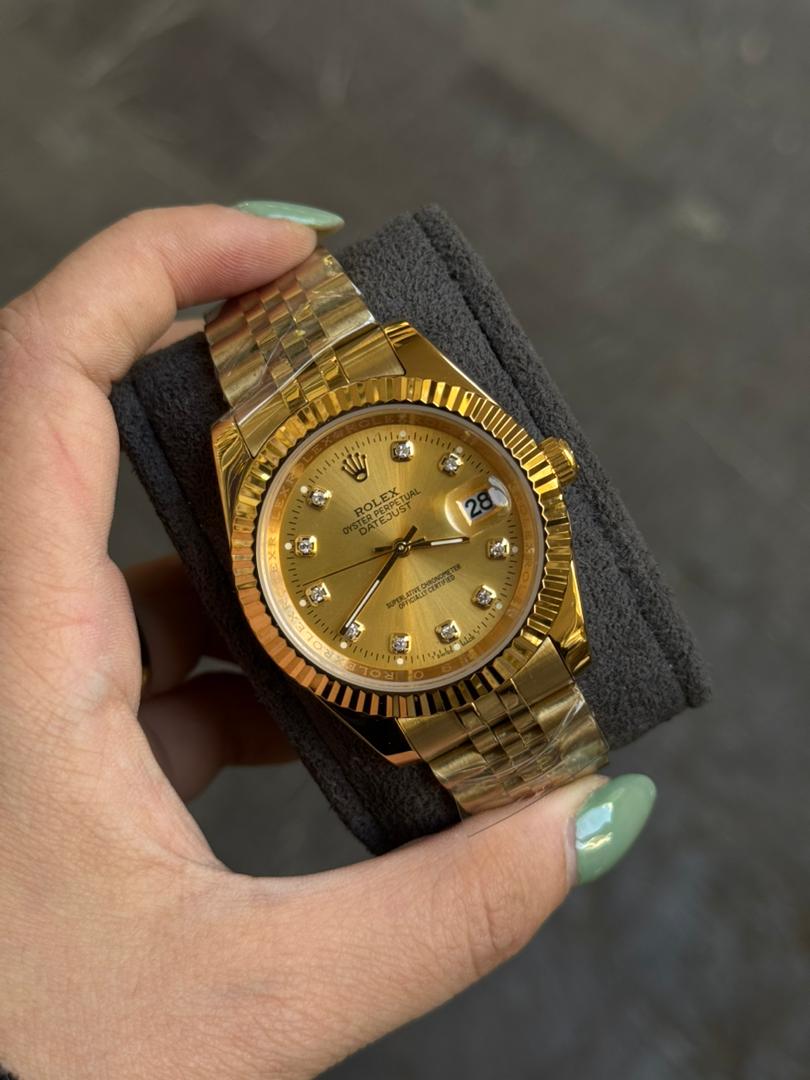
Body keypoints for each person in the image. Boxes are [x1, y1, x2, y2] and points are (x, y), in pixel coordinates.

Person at [0, 203, 656, 1080]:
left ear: (540, 468)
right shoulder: (256, 483)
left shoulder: (403, 378)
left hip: (452, 617)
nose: (397, 545)